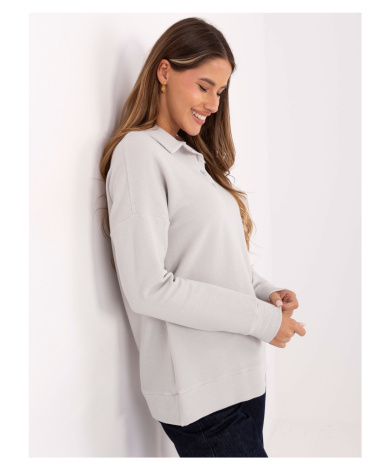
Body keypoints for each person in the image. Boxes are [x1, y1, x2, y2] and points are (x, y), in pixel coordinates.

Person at [99, 17, 306, 457]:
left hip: (243, 377)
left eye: (220, 92)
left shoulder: (192, 160)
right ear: (164, 71)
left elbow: (217, 260)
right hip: (202, 393)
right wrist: (263, 321)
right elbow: (148, 288)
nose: (213, 103)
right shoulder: (139, 154)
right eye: (204, 86)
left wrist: (266, 293)